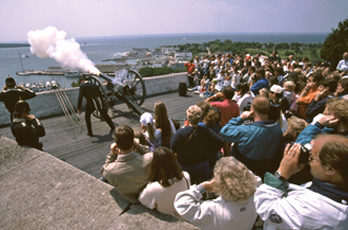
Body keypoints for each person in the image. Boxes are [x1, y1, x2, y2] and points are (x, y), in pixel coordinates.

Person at [254, 134, 348, 230]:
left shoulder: (313, 209)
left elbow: (266, 208)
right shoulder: (334, 188)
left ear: (330, 169)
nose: (308, 160)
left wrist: (282, 173)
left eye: (311, 157)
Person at [174, 157, 260, 230]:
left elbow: (182, 204)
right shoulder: (256, 198)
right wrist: (238, 173)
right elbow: (255, 178)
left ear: (219, 184)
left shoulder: (213, 209)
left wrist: (202, 187)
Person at [220, 95, 283, 178]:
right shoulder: (277, 127)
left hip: (243, 171)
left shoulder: (246, 130)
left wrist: (241, 118)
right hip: (264, 171)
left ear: (252, 110)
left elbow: (225, 131)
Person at [170, 105, 223, 184]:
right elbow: (219, 142)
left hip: (185, 165)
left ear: (188, 118)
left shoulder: (180, 133)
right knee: (203, 187)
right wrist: (208, 152)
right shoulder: (206, 131)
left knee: (186, 186)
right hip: (201, 164)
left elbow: (172, 147)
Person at [100, 125, 153, 204]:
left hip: (129, 200)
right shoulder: (149, 159)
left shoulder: (111, 170)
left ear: (116, 144)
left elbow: (104, 171)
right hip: (147, 196)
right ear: (133, 141)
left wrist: (112, 154)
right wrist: (138, 147)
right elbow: (150, 154)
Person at [138, 147, 190, 219]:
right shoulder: (185, 176)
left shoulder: (153, 188)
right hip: (183, 215)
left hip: (166, 218)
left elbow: (142, 199)